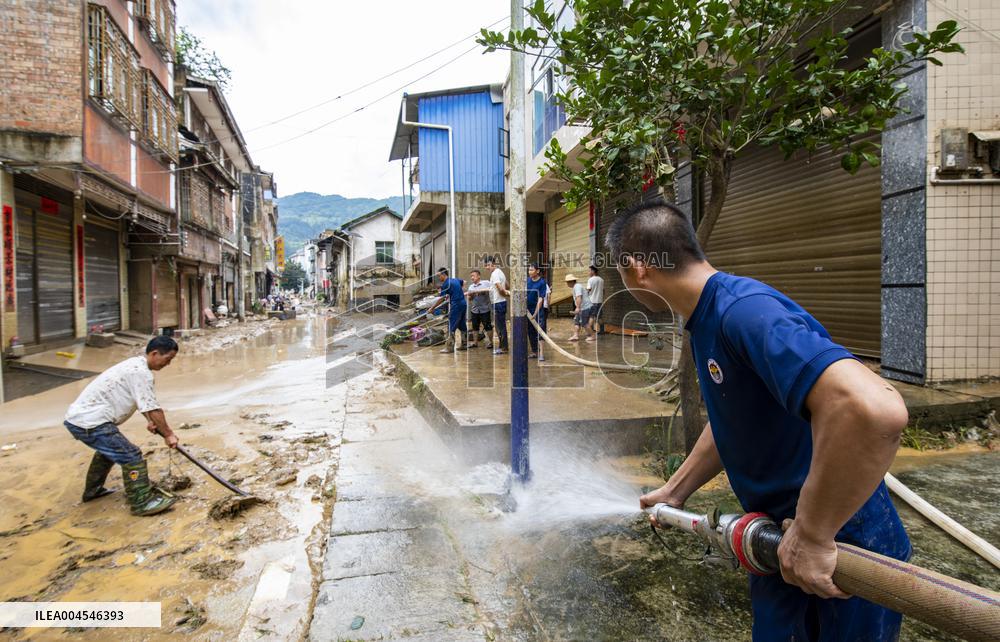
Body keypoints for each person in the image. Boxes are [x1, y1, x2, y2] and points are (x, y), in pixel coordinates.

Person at [608, 197, 910, 641]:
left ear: (636, 267)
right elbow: (735, 416)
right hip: (782, 547)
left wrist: (812, 532)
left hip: (843, 554)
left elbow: (871, 409)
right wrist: (676, 490)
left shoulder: (743, 312)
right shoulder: (707, 316)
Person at [63, 336, 181, 516]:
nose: (168, 364)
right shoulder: (141, 373)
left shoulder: (135, 366)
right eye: (168, 359)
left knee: (108, 451)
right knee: (131, 455)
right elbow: (153, 407)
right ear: (155, 353)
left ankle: (93, 492)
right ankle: (141, 503)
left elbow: (142, 402)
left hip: (81, 419)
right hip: (90, 421)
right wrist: (168, 434)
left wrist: (150, 421)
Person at [427, 267, 468, 353]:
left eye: (439, 276)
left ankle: (449, 348)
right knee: (461, 324)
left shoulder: (445, 284)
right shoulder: (455, 280)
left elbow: (442, 298)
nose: (439, 278)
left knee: (451, 324)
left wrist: (432, 308)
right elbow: (464, 282)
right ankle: (464, 345)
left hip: (456, 305)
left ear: (443, 274)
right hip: (463, 303)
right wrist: (458, 292)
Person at [485, 256, 509, 355]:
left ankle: (504, 348)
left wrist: (504, 294)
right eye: (486, 265)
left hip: (498, 303)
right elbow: (507, 285)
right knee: (501, 325)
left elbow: (500, 288)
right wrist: (506, 295)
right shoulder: (500, 272)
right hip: (501, 302)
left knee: (500, 326)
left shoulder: (494, 274)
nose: (487, 267)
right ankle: (503, 346)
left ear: (493, 264)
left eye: (488, 265)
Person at [526, 263, 548, 361]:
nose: (529, 272)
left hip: (539, 310)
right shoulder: (527, 281)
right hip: (527, 310)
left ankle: (542, 353)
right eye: (529, 270)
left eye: (531, 270)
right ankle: (535, 352)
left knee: (540, 331)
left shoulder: (542, 283)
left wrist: (535, 313)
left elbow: (540, 299)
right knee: (531, 331)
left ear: (537, 271)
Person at [465, 269, 493, 349]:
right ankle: (475, 343)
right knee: (475, 327)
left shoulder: (486, 283)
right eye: (471, 276)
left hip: (485, 309)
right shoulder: (471, 286)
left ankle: (490, 343)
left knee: (488, 326)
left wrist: (482, 291)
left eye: (473, 276)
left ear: (479, 276)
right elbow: (469, 299)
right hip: (475, 310)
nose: (472, 278)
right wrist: (472, 295)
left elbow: (492, 289)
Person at [565, 274, 594, 342]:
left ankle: (593, 336)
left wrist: (577, 307)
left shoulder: (577, 287)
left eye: (567, 282)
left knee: (584, 323)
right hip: (582, 308)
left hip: (585, 307)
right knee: (577, 322)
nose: (567, 284)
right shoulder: (576, 287)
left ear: (571, 281)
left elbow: (579, 297)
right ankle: (575, 335)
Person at [586, 265, 605, 335]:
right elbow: (603, 291)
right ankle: (602, 330)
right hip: (599, 301)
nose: (588, 272)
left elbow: (588, 290)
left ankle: (589, 332)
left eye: (589, 271)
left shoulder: (590, 280)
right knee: (599, 317)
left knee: (591, 316)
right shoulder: (601, 280)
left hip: (592, 301)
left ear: (593, 271)